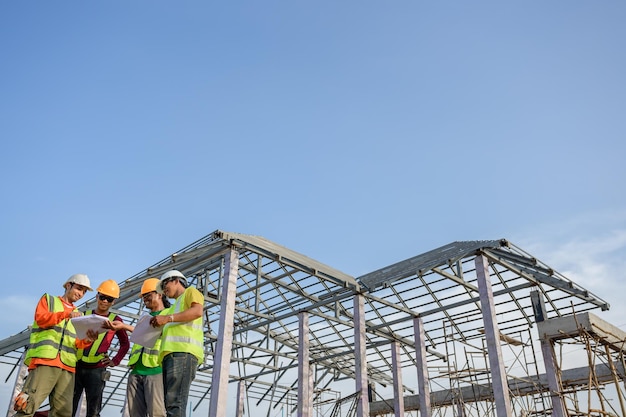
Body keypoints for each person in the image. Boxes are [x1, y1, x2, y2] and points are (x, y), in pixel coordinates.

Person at [13, 274, 99, 417]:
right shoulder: (49, 300)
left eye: (84, 291)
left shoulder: (79, 315)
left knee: (63, 413)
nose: (81, 294)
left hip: (67, 367)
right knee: (27, 406)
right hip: (45, 361)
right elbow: (41, 319)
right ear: (68, 285)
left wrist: (88, 340)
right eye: (79, 288)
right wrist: (66, 314)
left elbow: (76, 343)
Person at [107, 278, 171, 417]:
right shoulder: (145, 316)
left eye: (148, 295)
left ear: (160, 294)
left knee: (157, 413)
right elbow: (141, 333)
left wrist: (124, 326)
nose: (145, 299)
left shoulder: (168, 315)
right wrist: (124, 327)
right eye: (143, 297)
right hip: (136, 371)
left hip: (155, 370)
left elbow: (152, 331)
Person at [72, 279, 130, 417]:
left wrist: (115, 361)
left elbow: (125, 343)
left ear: (113, 302)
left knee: (93, 411)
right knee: (68, 408)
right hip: (76, 366)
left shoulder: (115, 320)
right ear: (97, 296)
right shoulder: (83, 315)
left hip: (97, 370)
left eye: (109, 299)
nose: (104, 301)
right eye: (102, 297)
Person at [150, 270, 204, 417]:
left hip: (183, 353)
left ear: (176, 280)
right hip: (171, 356)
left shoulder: (191, 292)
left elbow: (197, 311)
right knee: (170, 405)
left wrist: (168, 319)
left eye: (165, 284)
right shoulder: (173, 308)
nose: (164, 290)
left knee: (175, 404)